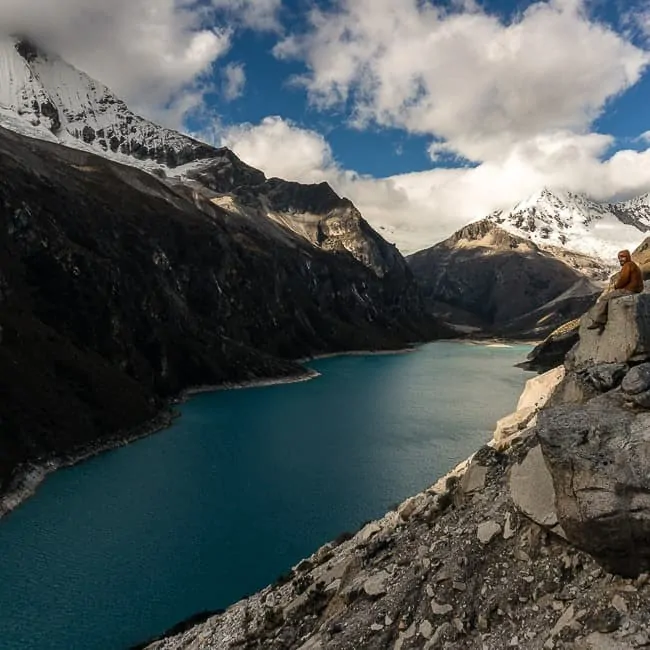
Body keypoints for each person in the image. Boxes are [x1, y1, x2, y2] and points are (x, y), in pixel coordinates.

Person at [587, 249, 644, 331]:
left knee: (604, 298)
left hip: (629, 290)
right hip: (635, 289)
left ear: (627, 257)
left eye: (623, 257)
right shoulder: (633, 265)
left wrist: (617, 286)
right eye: (619, 258)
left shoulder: (627, 266)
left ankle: (600, 321)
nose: (621, 259)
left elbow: (624, 279)